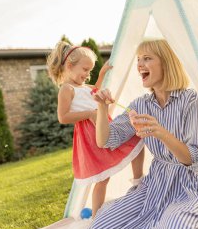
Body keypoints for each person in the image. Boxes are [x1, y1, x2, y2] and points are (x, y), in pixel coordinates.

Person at [85, 38, 198, 229]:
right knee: (99, 226)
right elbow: (105, 140)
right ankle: (154, 224)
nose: (139, 65)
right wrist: (101, 107)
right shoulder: (141, 104)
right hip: (156, 183)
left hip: (190, 184)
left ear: (166, 63)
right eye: (138, 60)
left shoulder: (192, 101)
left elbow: (193, 158)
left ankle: (164, 222)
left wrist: (161, 132)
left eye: (147, 58)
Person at [47, 41, 144, 217]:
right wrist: (90, 114)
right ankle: (95, 217)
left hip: (104, 127)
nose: (87, 74)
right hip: (91, 135)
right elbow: (63, 117)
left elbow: (95, 90)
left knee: (135, 139)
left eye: (89, 71)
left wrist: (102, 73)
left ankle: (138, 181)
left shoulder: (82, 87)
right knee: (102, 178)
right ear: (69, 66)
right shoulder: (66, 89)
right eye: (85, 70)